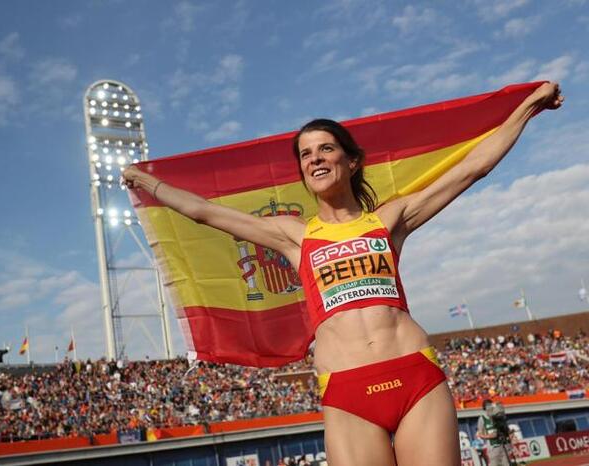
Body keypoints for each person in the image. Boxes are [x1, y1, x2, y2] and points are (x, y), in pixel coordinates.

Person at [123, 82, 562, 466]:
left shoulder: (389, 219)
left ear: (352, 161)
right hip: (347, 391)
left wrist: (529, 107)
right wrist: (148, 183)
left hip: (414, 375)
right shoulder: (294, 236)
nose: (314, 159)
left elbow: (472, 168)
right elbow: (204, 212)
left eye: (326, 148)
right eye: (305, 154)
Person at [477, 400, 512, 466]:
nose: (491, 408)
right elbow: (480, 434)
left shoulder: (497, 416)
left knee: (507, 464)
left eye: (491, 405)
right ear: (485, 408)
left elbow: (505, 429)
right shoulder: (482, 418)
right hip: (492, 447)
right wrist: (490, 436)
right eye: (488, 406)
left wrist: (509, 434)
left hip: (502, 445)